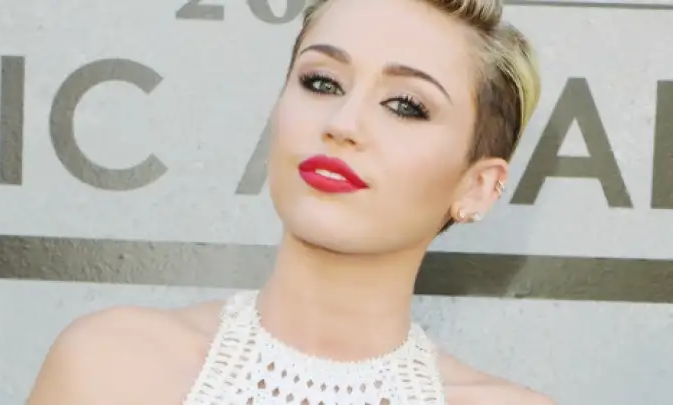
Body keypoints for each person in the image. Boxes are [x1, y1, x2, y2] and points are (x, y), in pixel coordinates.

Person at [27, 0, 554, 403]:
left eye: (405, 105)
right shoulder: (109, 367)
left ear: (478, 186)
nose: (343, 123)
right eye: (322, 82)